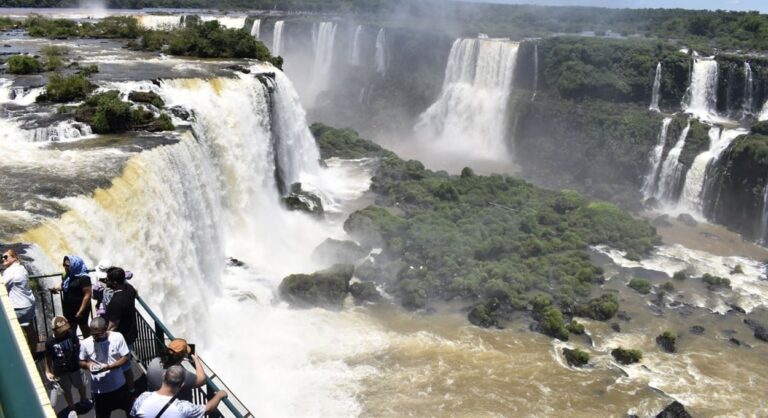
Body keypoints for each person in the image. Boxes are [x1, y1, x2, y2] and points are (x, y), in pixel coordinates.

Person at [79, 317, 130, 418]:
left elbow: (125, 357)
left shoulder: (117, 337)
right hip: (100, 391)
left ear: (105, 328)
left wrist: (110, 367)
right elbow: (81, 361)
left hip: (120, 386)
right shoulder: (85, 343)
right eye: (93, 334)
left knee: (130, 411)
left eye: (98, 334)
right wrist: (88, 365)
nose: (96, 337)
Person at [130, 365, 228, 418]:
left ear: (163, 376)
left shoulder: (143, 397)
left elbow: (133, 414)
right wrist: (219, 395)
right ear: (181, 385)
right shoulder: (183, 408)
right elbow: (208, 409)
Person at [44, 316, 91, 416]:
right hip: (60, 371)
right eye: (61, 331)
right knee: (66, 390)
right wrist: (48, 371)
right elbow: (48, 357)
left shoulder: (71, 334)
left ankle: (84, 399)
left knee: (81, 384)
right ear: (54, 330)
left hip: (74, 366)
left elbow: (78, 346)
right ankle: (71, 407)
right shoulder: (49, 342)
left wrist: (81, 359)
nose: (64, 332)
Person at [104, 266, 138, 393]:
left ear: (114, 282)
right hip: (131, 332)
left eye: (108, 279)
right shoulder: (129, 289)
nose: (106, 281)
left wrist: (102, 337)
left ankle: (129, 390)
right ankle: (130, 389)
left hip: (121, 337)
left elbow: (113, 325)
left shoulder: (116, 302)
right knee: (126, 363)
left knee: (124, 366)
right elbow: (136, 293)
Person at [1, 249, 37, 354]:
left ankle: (22, 355)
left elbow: (2, 286)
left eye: (6, 257)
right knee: (30, 330)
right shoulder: (21, 268)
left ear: (14, 257)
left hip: (18, 307)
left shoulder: (9, 271)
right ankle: (34, 353)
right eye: (2, 257)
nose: (3, 259)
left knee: (15, 334)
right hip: (28, 303)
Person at [51, 255, 92, 338]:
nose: (65, 267)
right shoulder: (68, 275)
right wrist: (55, 288)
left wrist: (80, 311)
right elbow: (66, 286)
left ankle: (89, 344)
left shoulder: (84, 278)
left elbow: (88, 294)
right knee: (71, 328)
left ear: (74, 265)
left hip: (81, 308)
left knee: (84, 327)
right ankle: (74, 344)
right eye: (64, 265)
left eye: (67, 265)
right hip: (69, 308)